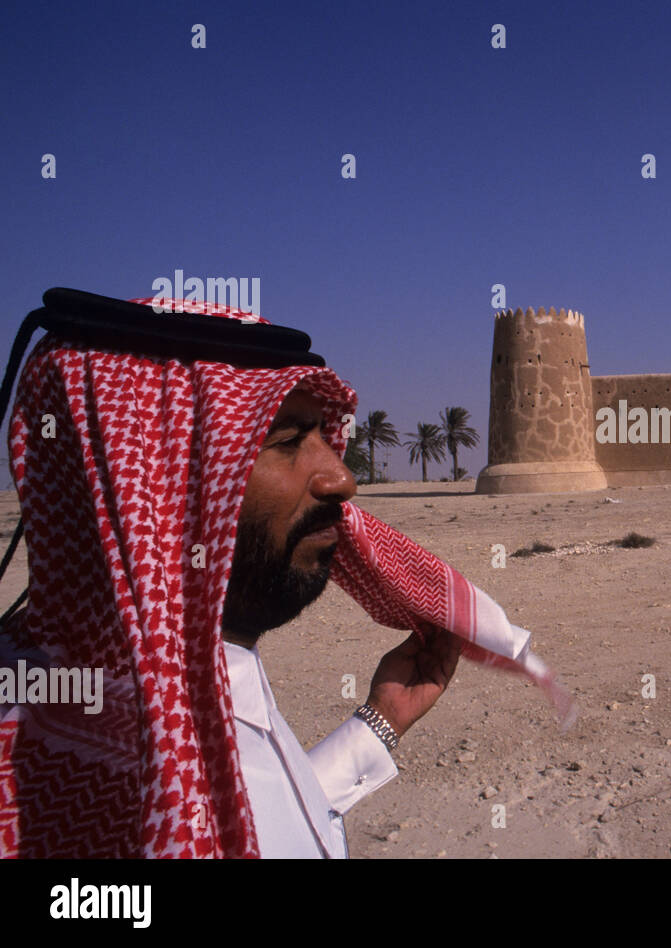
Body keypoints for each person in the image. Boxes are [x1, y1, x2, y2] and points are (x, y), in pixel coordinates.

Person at [0, 290, 574, 857]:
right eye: (287, 441)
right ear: (159, 482)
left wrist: (377, 725)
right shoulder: (86, 780)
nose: (341, 478)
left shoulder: (126, 709)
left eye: (324, 436)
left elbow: (251, 818)